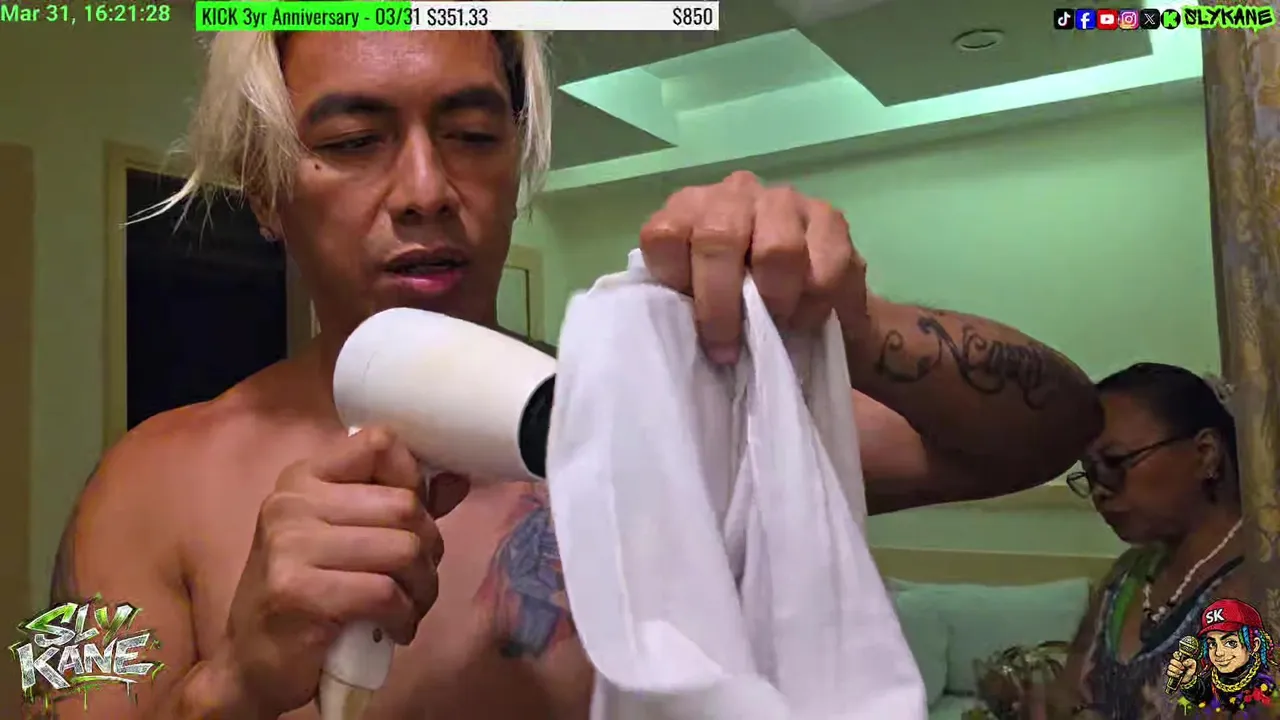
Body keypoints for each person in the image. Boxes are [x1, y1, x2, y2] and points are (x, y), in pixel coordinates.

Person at [41, 29, 1101, 720]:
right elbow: (50, 693)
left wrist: (840, 324)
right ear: (269, 193)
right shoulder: (144, 483)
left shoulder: (656, 415)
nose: (426, 188)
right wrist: (232, 685)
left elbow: (1057, 425)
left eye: (471, 134)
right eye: (356, 140)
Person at [1031, 363, 1246, 720]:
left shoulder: (1261, 584)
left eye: (1115, 463)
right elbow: (1070, 695)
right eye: (1091, 472)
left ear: (1205, 454)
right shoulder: (1125, 578)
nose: (1100, 490)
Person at [1167, 598, 1277, 715]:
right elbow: (1203, 697)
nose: (1219, 653)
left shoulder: (1269, 681)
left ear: (1254, 645)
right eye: (1212, 644)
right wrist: (1188, 680)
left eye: (1231, 643)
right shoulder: (1213, 678)